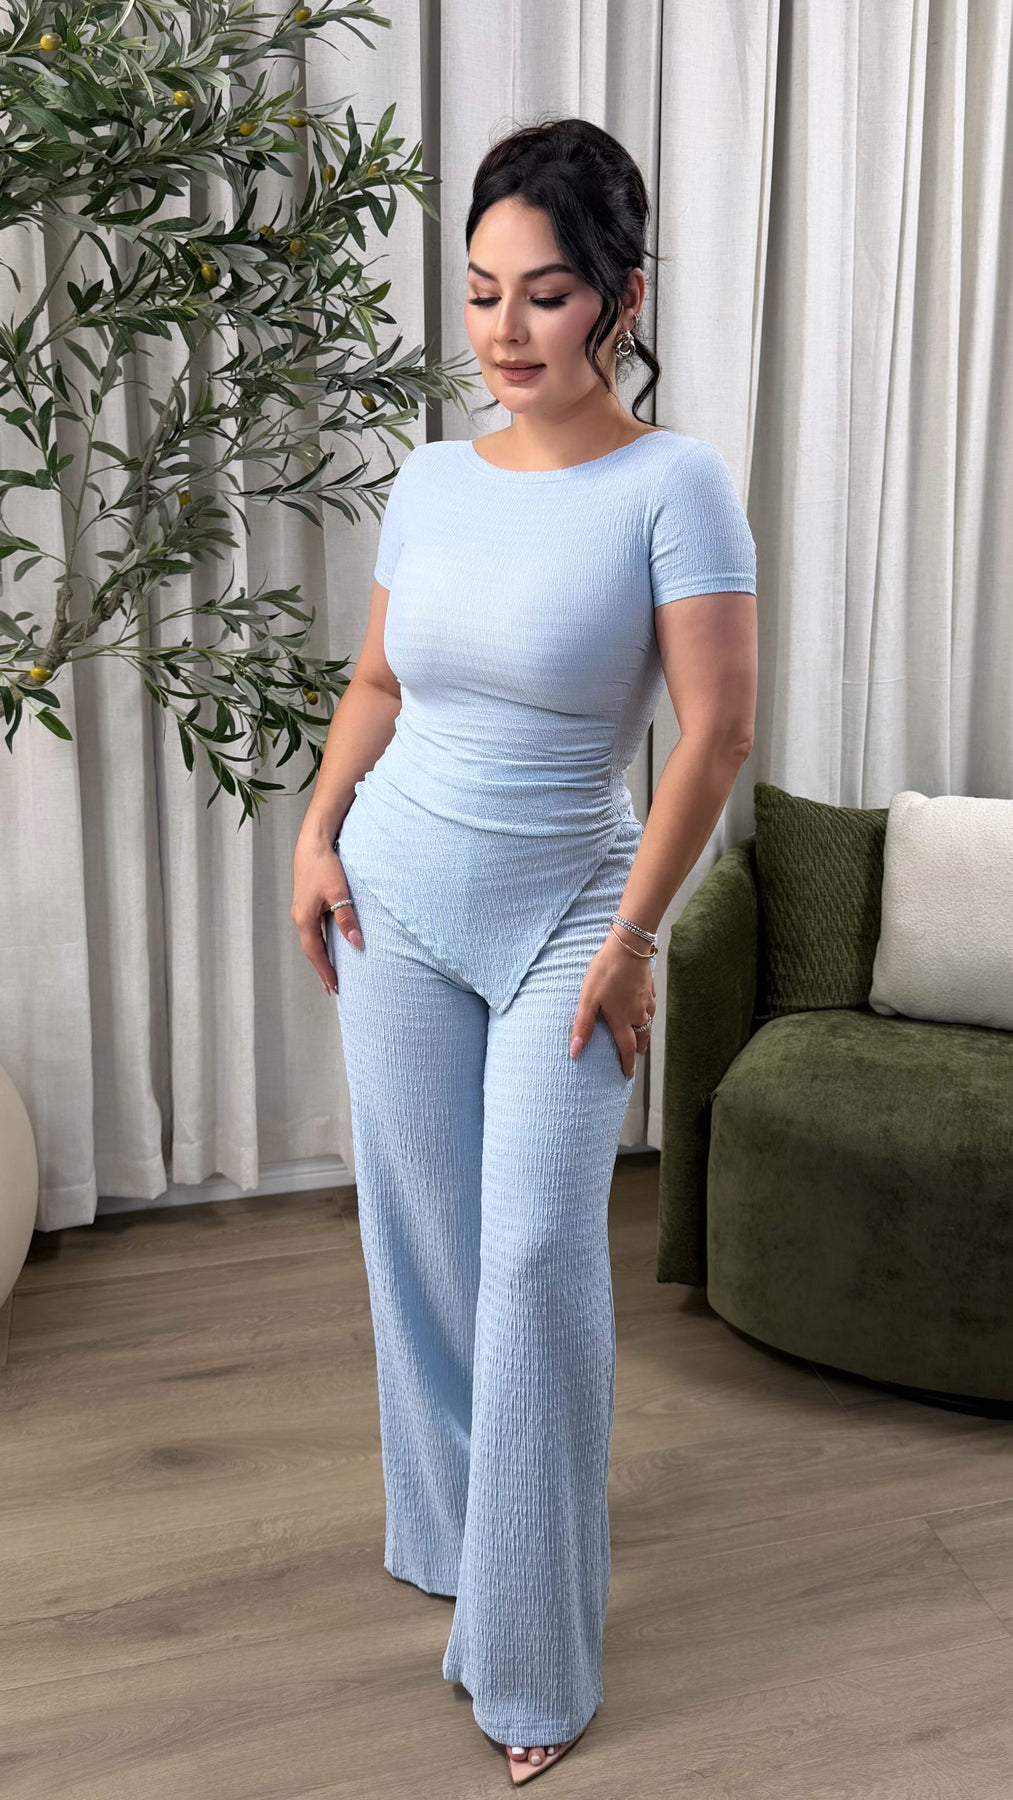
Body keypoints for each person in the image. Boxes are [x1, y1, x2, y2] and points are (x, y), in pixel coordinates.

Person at [292, 116, 758, 1787]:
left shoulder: (672, 485)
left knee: (540, 1260)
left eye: (543, 293)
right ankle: (453, 1543)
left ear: (616, 301)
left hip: (572, 915)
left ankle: (534, 1659)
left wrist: (633, 941)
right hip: (396, 896)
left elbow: (712, 735)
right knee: (418, 1240)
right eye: (482, 291)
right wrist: (314, 832)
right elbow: (378, 684)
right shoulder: (430, 479)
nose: (502, 328)